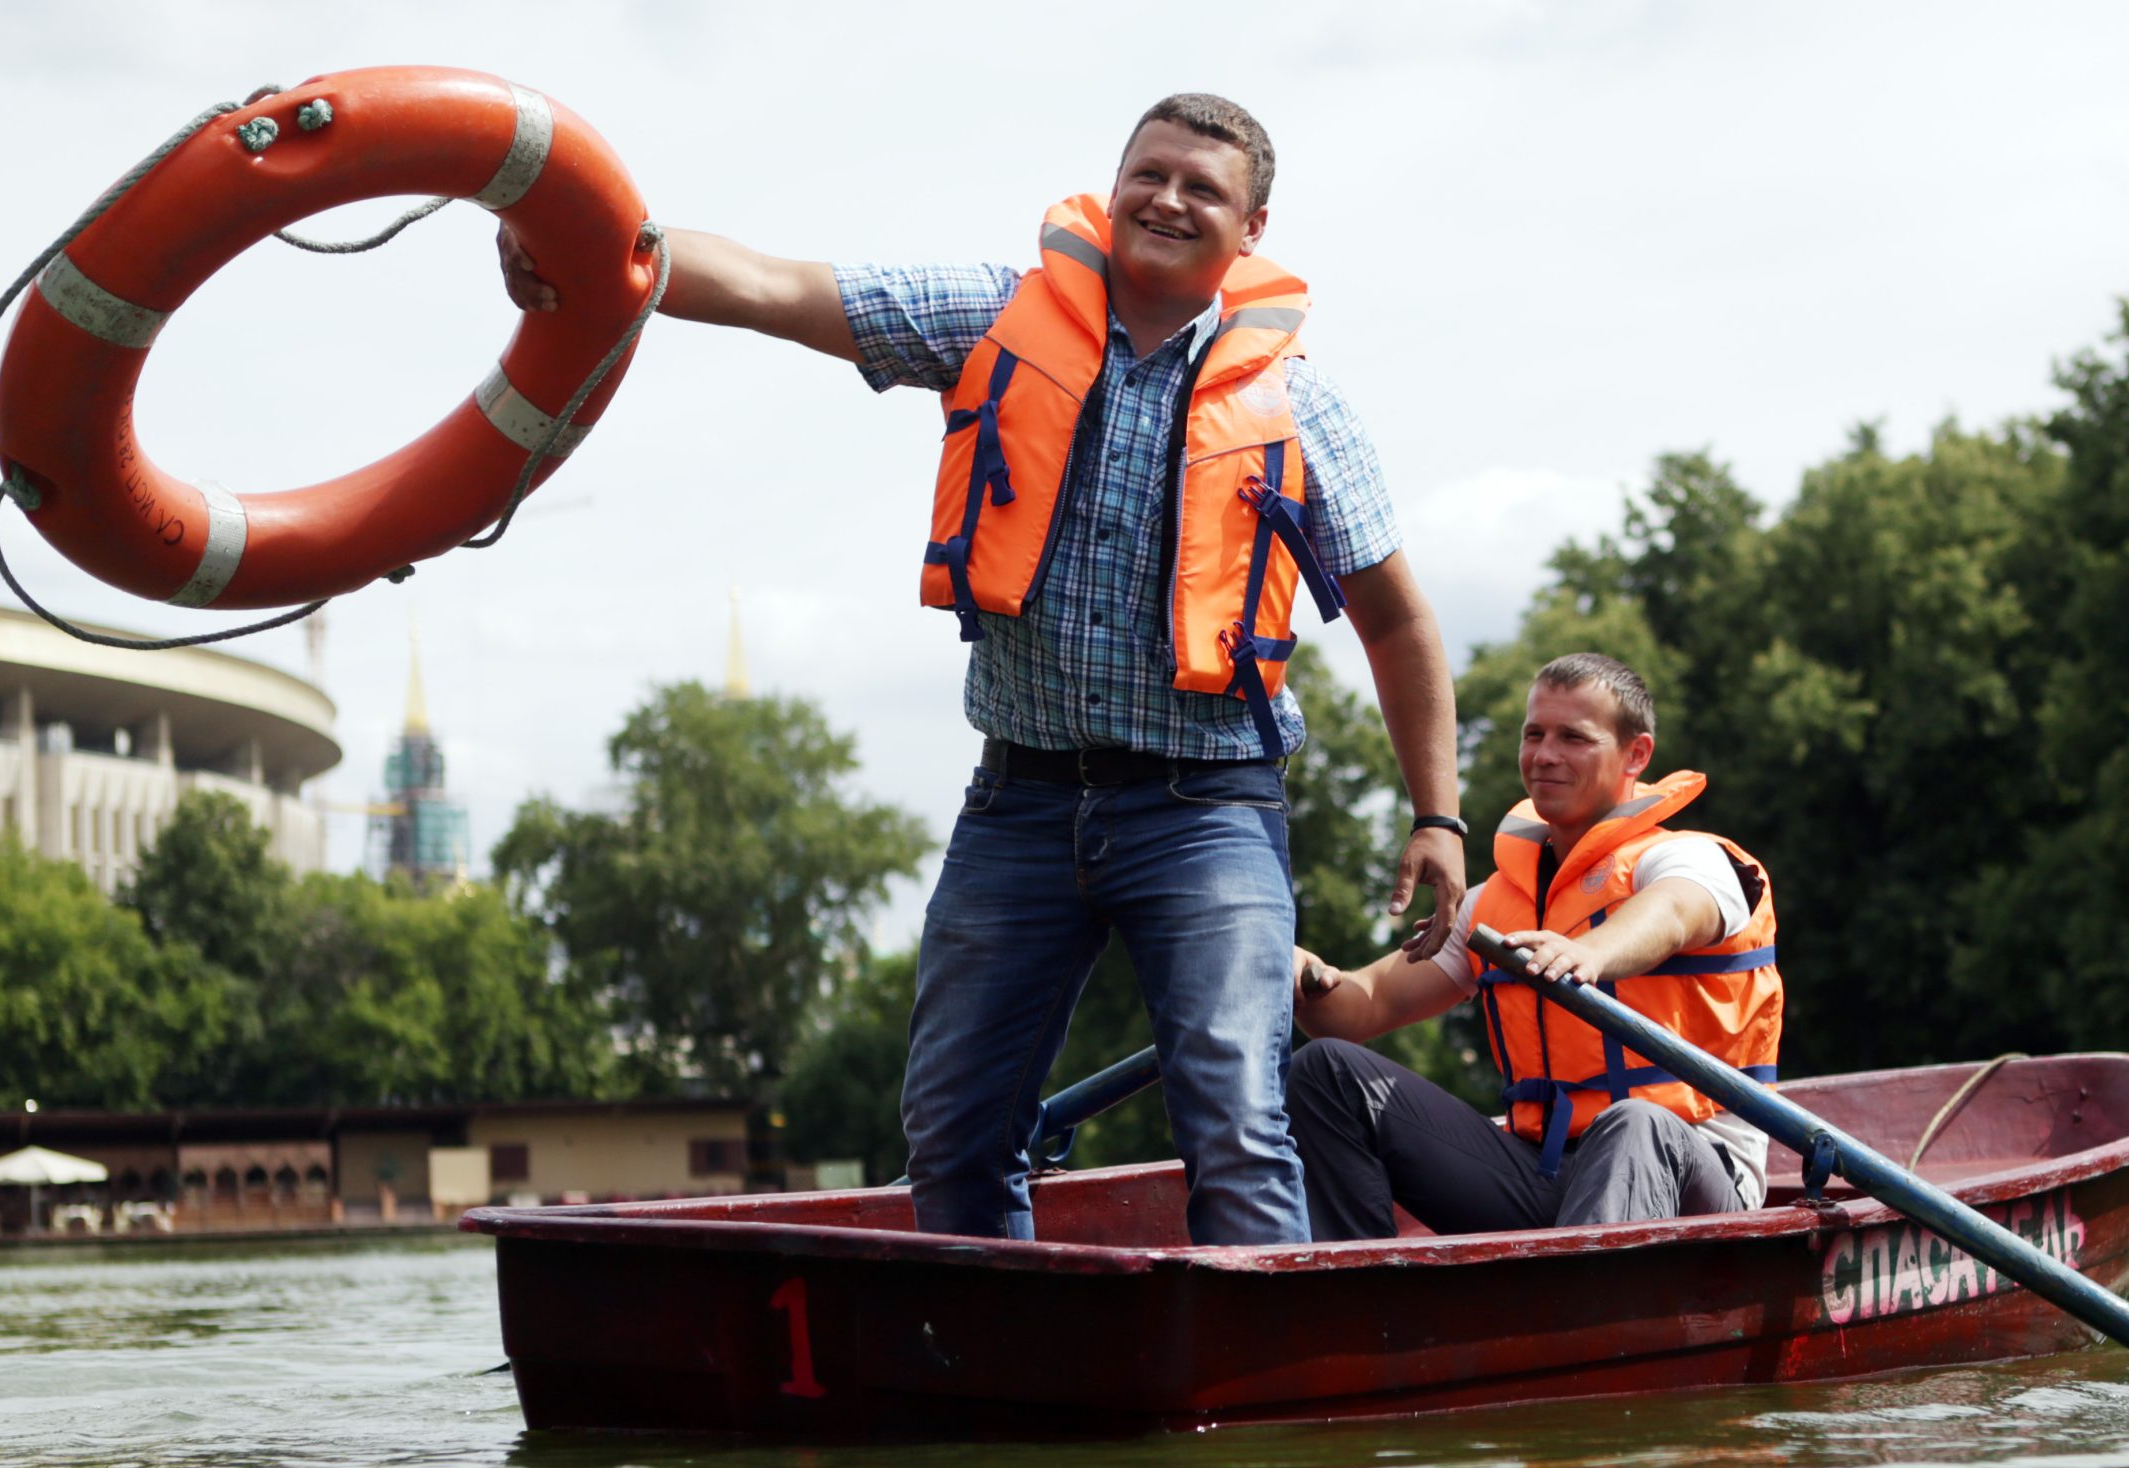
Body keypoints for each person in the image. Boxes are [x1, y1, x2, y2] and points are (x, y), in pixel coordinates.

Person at [499, 94, 1464, 1246]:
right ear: (1111, 189)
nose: (1165, 199)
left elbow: (1396, 623)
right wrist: (604, 257)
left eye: (1200, 188)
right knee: (953, 1125)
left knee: (1235, 1113)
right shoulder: (997, 316)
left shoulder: (1300, 403)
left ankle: (1250, 1396)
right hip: (1021, 798)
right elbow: (778, 288)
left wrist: (1438, 817)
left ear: (1250, 229)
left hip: (1206, 808)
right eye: (1146, 174)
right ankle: (993, 1361)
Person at [1286, 653, 1783, 1241]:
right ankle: (1363, 1313)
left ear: (1636, 755)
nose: (1544, 755)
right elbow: (1355, 1008)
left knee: (1634, 1123)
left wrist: (1591, 952)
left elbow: (1674, 912)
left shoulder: (1688, 858)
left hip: (1690, 1173)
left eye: (1573, 737)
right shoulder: (1491, 903)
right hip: (1542, 1176)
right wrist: (1281, 962)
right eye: (1534, 734)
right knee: (1325, 1072)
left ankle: (1575, 1325)